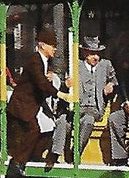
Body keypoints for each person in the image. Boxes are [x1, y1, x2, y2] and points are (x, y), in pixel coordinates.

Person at [6, 28, 72, 178]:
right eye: (52, 45)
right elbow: (41, 83)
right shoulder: (35, 60)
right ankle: (16, 163)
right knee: (34, 129)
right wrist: (61, 94)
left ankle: (33, 156)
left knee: (47, 128)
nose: (55, 49)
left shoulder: (43, 61)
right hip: (22, 104)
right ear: (42, 45)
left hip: (32, 105)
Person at [47, 36, 117, 167]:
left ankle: (76, 154)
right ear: (85, 53)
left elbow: (114, 80)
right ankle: (55, 154)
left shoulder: (106, 65)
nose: (95, 57)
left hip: (94, 108)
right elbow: (60, 80)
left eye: (97, 54)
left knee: (88, 121)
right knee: (62, 121)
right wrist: (65, 84)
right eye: (92, 54)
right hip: (75, 106)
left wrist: (111, 84)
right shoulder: (75, 64)